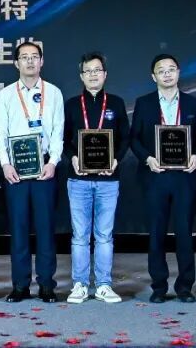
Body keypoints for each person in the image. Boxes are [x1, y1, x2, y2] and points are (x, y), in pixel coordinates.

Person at [128, 54, 196, 303]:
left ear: (179, 72)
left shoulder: (192, 103)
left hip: (184, 177)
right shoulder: (144, 103)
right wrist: (147, 158)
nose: (167, 74)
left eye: (171, 69)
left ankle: (185, 287)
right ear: (154, 77)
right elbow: (134, 139)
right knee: (157, 233)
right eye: (161, 71)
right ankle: (159, 287)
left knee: (184, 232)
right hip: (155, 176)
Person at [0, 42, 65, 303]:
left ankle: (46, 284)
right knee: (19, 228)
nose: (30, 61)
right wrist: (5, 164)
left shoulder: (53, 93)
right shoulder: (6, 95)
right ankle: (20, 285)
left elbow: (58, 132)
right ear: (16, 63)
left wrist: (53, 162)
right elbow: (0, 133)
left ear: (42, 61)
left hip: (45, 168)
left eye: (35, 57)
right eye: (24, 57)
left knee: (45, 228)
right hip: (16, 170)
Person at [62, 52, 129, 304]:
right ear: (81, 76)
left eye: (97, 70)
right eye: (88, 71)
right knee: (80, 235)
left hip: (108, 179)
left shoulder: (116, 103)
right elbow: (63, 139)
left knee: (104, 235)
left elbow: (125, 138)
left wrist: (116, 160)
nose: (93, 75)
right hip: (78, 179)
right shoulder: (71, 104)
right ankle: (79, 284)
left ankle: (103, 285)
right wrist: (73, 158)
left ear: (105, 74)